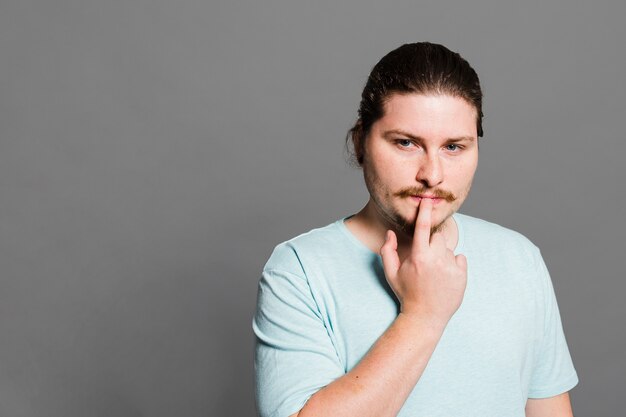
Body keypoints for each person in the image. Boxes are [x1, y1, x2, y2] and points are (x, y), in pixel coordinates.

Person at [253, 42, 578, 417]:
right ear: (360, 143)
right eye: (406, 143)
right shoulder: (300, 270)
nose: (432, 175)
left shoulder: (519, 259)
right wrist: (422, 315)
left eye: (454, 147)